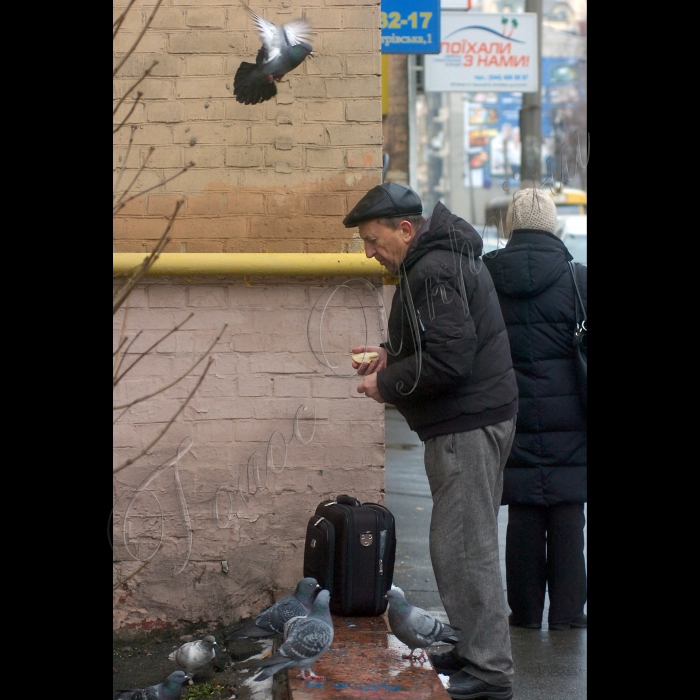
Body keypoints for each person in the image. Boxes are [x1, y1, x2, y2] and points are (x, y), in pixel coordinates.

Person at [344, 182, 519, 700]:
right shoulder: (439, 258)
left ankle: (489, 673)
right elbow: (440, 343)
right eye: (364, 245)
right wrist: (389, 356)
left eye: (374, 241)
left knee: (465, 550)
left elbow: (450, 360)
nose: (370, 253)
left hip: (467, 424)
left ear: (405, 228)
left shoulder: (433, 269)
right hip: (475, 418)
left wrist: (388, 382)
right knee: (461, 545)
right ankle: (474, 652)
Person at [483, 187, 587, 631]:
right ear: (553, 225)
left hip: (511, 412)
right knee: (567, 513)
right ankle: (567, 613)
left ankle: (523, 613)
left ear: (511, 226)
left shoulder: (488, 275)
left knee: (522, 512)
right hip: (572, 417)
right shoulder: (578, 278)